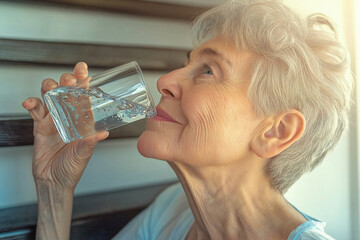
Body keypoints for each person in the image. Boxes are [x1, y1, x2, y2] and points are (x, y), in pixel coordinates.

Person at [22, 0, 353, 239]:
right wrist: (55, 188)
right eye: (188, 63)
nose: (165, 80)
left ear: (276, 132)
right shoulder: (174, 210)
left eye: (208, 70)